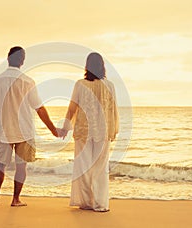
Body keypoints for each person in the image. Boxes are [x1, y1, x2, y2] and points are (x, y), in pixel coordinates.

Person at [0, 46, 62, 206]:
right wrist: (52, 129)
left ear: (8, 59)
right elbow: (39, 108)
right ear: (22, 61)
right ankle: (15, 199)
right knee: (21, 166)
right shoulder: (27, 81)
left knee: (1, 164)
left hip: (3, 130)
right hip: (25, 131)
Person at [62, 52, 119, 212]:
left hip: (83, 131)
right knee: (101, 167)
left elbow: (72, 108)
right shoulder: (110, 85)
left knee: (84, 166)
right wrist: (113, 130)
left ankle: (86, 202)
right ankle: (100, 204)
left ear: (87, 66)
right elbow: (113, 110)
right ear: (102, 66)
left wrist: (65, 127)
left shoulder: (80, 84)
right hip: (102, 131)